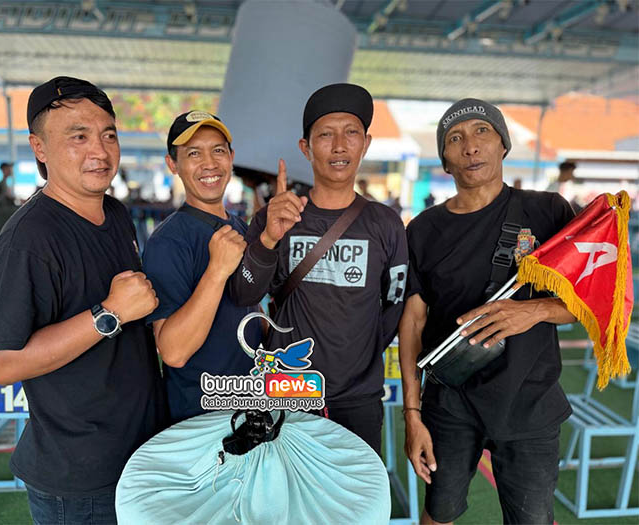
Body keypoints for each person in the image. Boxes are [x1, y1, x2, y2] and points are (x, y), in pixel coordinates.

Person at [0, 76, 170, 525]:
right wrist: (109, 313)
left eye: (108, 135)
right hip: (80, 478)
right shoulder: (27, 240)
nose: (99, 151)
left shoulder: (116, 213)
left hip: (140, 450)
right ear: (40, 148)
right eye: (78, 137)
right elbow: (1, 364)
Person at [399, 98, 576, 524]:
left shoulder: (548, 211)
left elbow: (586, 304)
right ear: (445, 159)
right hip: (450, 403)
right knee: (437, 515)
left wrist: (534, 310)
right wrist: (412, 415)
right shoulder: (423, 230)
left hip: (530, 403)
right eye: (455, 138)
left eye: (483, 131)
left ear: (503, 144)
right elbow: (413, 322)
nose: (471, 146)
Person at [229, 83, 408, 454]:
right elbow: (244, 293)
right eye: (326, 135)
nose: (339, 146)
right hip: (289, 391)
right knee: (286, 488)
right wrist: (268, 239)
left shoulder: (385, 223)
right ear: (305, 148)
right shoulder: (278, 215)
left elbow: (395, 303)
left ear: (366, 144)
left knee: (355, 492)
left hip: (358, 398)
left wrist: (358, 355)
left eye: (351, 133)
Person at [142, 111, 262, 424]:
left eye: (218, 150)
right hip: (200, 420)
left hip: (250, 408)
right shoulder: (168, 241)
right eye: (194, 153)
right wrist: (216, 272)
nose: (209, 163)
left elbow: (250, 311)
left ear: (231, 158)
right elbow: (173, 352)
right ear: (173, 164)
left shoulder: (240, 227)